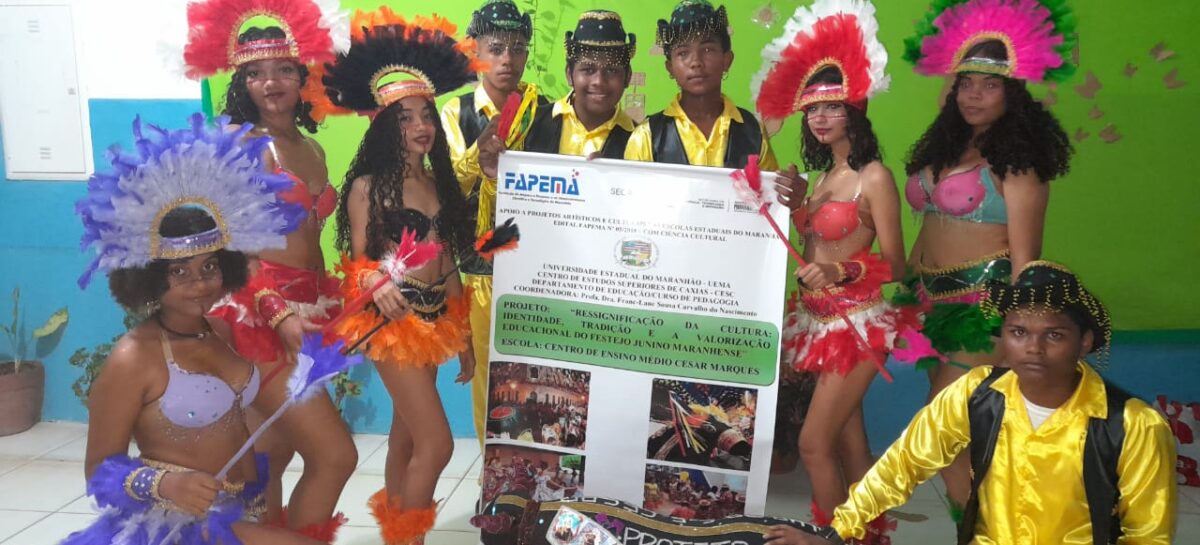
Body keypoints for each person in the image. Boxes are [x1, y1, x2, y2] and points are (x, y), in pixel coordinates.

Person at [763, 261, 1177, 545]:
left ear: (1084, 342)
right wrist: (837, 532)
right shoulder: (978, 393)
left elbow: (1149, 534)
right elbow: (903, 463)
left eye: (1054, 335)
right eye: (1018, 332)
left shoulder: (1133, 425)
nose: (1033, 348)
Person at [66, 114, 319, 545]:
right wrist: (167, 485)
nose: (200, 283)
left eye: (210, 267)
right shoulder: (135, 356)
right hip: (177, 524)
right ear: (148, 276)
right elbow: (98, 471)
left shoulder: (221, 331)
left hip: (243, 510)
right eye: (179, 271)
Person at [183, 0, 355, 537]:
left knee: (268, 455)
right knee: (335, 455)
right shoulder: (246, 147)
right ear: (243, 83)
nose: (271, 82)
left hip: (307, 307)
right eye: (255, 73)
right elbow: (234, 250)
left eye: (283, 69)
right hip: (259, 316)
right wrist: (279, 313)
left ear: (303, 76)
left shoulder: (311, 148)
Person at [898, 0, 1076, 514]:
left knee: (941, 425)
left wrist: (1018, 328)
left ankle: (981, 528)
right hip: (930, 302)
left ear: (1012, 92)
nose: (973, 95)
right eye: (965, 83)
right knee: (961, 433)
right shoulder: (948, 148)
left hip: (983, 308)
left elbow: (1028, 259)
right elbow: (927, 227)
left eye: (989, 85)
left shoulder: (1017, 164)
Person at [751, 2, 916, 541]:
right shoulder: (822, 178)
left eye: (832, 108)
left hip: (858, 324)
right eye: (812, 110)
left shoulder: (874, 176)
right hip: (816, 324)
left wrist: (840, 270)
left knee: (812, 444)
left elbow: (897, 264)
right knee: (848, 443)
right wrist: (796, 201)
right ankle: (868, 535)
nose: (819, 118)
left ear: (855, 112)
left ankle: (829, 538)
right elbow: (809, 243)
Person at [319, 11, 478, 545]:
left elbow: (448, 260)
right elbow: (360, 261)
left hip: (436, 320)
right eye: (406, 117)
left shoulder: (436, 183)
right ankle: (408, 538)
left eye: (426, 114)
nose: (420, 125)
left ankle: (395, 532)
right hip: (392, 324)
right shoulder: (369, 187)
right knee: (439, 445)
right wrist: (376, 282)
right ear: (387, 125)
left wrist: (464, 335)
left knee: (407, 438)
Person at [438, 0, 549, 446]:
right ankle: (493, 466)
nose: (507, 59)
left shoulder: (544, 110)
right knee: (490, 372)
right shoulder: (457, 112)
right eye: (496, 48)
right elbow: (445, 188)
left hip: (538, 266)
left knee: (538, 374)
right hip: (481, 267)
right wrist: (478, 155)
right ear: (476, 51)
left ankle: (536, 461)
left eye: (517, 48)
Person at [476, 9, 638, 180]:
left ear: (627, 77)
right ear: (569, 74)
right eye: (588, 69)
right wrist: (495, 175)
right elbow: (510, 193)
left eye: (612, 70)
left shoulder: (641, 140)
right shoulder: (528, 125)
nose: (599, 81)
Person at [624, 0, 777, 171]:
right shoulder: (647, 136)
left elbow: (767, 186)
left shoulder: (752, 131)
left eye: (707, 50)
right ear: (670, 67)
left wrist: (789, 186)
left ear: (727, 60)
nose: (696, 62)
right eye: (683, 53)